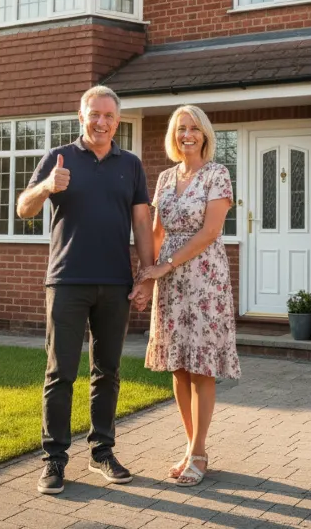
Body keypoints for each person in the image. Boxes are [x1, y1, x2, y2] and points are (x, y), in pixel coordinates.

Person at [16, 85, 155, 496]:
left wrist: (146, 276)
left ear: (118, 122)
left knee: (107, 372)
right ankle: (54, 460)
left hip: (115, 282)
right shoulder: (60, 158)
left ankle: (102, 452)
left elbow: (142, 224)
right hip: (66, 281)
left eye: (109, 116)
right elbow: (23, 208)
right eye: (94, 114)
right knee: (60, 373)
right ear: (81, 116)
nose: (101, 122)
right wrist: (45, 187)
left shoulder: (130, 165)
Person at [134, 105, 241, 487]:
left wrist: (167, 264)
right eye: (181, 128)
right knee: (178, 366)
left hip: (204, 277)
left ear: (205, 134)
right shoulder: (164, 178)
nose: (187, 134)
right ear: (173, 135)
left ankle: (199, 451)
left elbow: (211, 231)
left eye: (194, 128)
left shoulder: (217, 174)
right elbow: (157, 233)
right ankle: (189, 447)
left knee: (200, 367)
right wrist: (146, 278)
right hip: (170, 283)